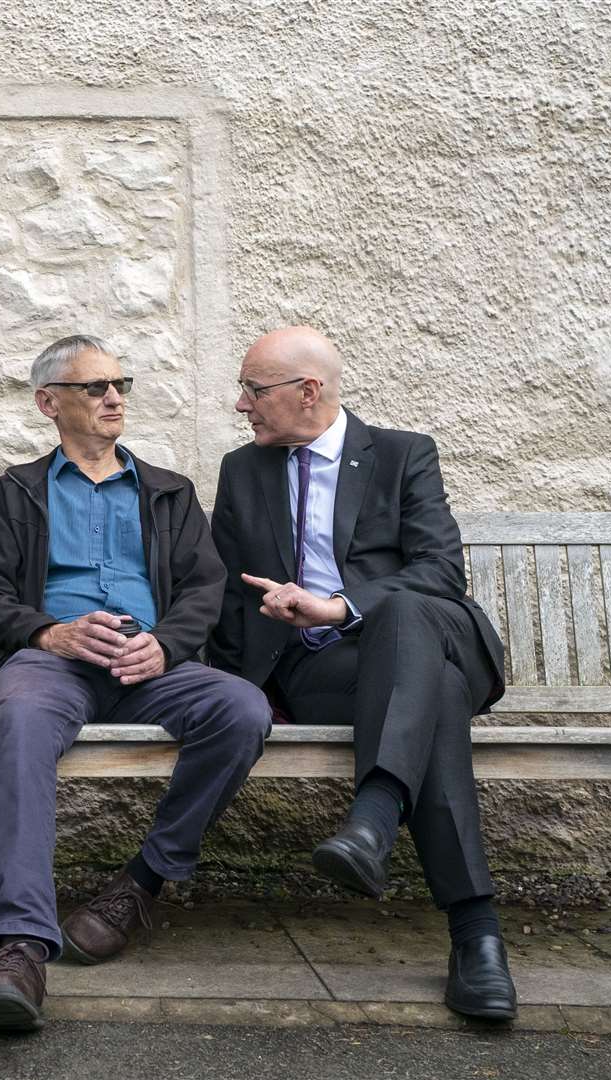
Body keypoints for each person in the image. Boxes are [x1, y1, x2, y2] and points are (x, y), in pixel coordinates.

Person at [0, 334, 272, 1032]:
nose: (113, 397)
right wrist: (48, 632)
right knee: (23, 720)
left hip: (149, 665)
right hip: (52, 663)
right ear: (49, 404)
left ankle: (140, 884)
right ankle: (17, 948)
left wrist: (163, 646)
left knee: (241, 709)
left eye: (120, 385)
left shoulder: (168, 492)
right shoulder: (16, 492)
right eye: (95, 387)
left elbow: (205, 588)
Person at [207, 325, 516, 1020]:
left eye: (253, 390)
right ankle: (475, 936)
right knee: (429, 700)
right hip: (324, 674)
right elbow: (227, 596)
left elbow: (440, 571)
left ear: (307, 391)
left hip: (426, 638)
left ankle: (377, 819)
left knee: (405, 612)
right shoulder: (242, 470)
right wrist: (230, 684)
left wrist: (337, 605)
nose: (240, 405)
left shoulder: (403, 455)